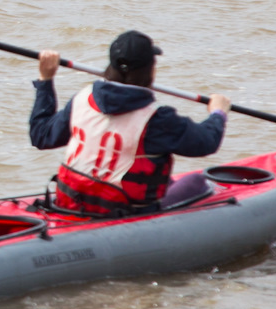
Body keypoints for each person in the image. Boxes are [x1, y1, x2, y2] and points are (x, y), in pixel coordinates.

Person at [28, 31, 231, 216]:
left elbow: (41, 135)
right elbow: (207, 141)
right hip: (123, 212)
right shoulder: (157, 119)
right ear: (149, 70)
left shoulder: (82, 99)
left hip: (70, 203)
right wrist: (218, 113)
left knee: (166, 180)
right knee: (197, 182)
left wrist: (45, 80)